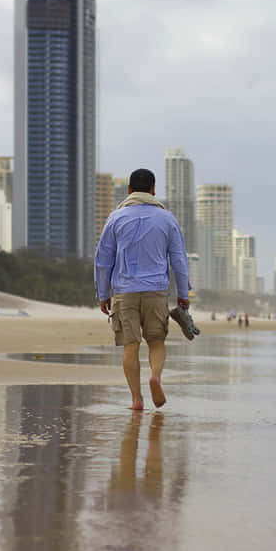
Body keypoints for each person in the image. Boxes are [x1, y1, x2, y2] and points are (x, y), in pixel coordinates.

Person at [94, 168, 190, 411]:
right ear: (154, 189)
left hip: (125, 291)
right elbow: (179, 260)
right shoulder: (167, 219)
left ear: (129, 190)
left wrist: (103, 294)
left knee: (130, 346)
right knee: (156, 341)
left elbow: (103, 259)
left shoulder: (116, 218)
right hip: (156, 290)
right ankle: (155, 377)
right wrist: (183, 294)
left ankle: (137, 400)